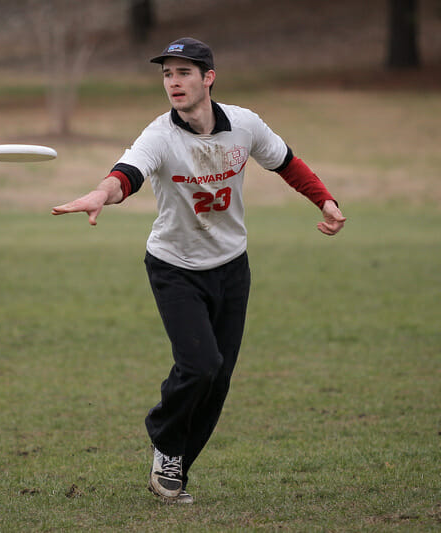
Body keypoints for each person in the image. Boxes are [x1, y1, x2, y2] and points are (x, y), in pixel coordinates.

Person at [52, 37, 346, 504]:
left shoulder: (244, 124)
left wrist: (325, 200)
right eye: (167, 74)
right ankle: (164, 438)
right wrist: (99, 194)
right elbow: (127, 173)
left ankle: (173, 469)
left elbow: (286, 162)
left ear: (208, 78)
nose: (174, 82)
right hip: (175, 267)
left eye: (184, 72)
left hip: (232, 267)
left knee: (219, 378)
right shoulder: (159, 135)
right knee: (201, 366)